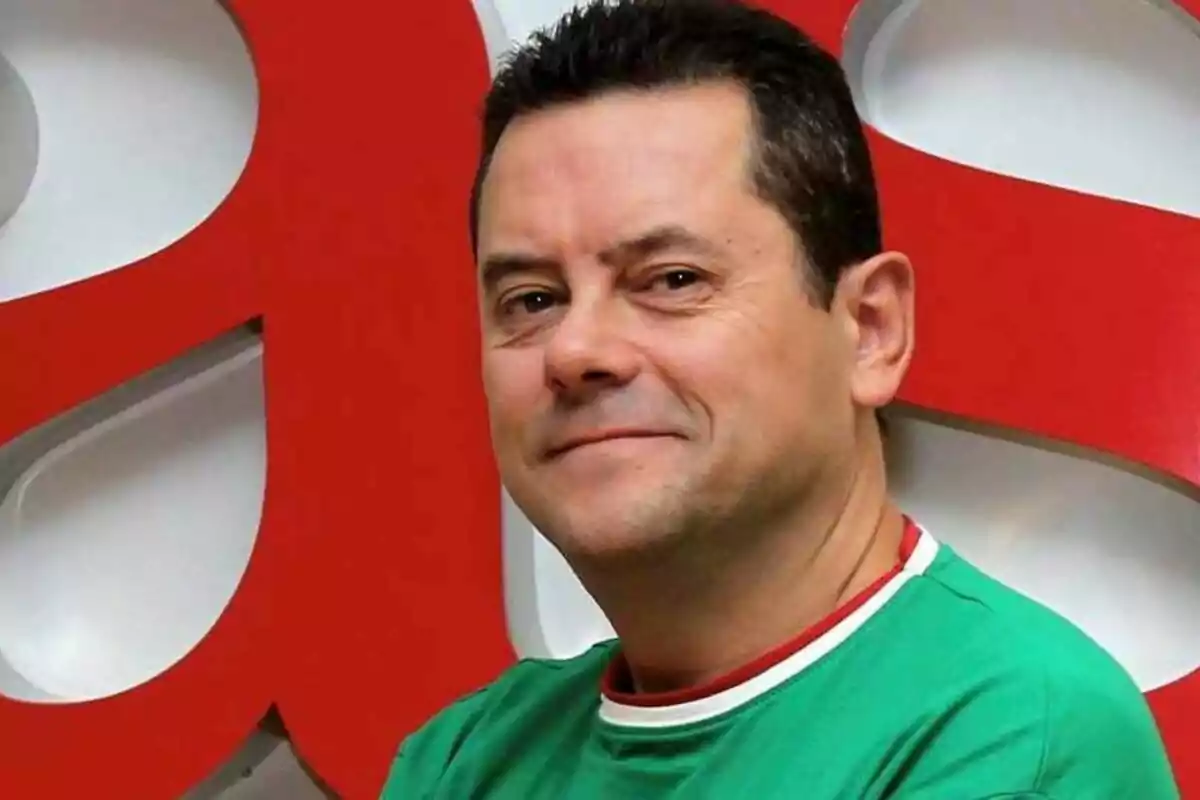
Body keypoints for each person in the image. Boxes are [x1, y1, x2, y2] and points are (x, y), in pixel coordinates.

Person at [381, 0, 1179, 797]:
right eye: (530, 299)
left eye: (671, 280)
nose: (576, 350)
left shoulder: (1014, 735)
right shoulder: (461, 759)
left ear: (870, 329)